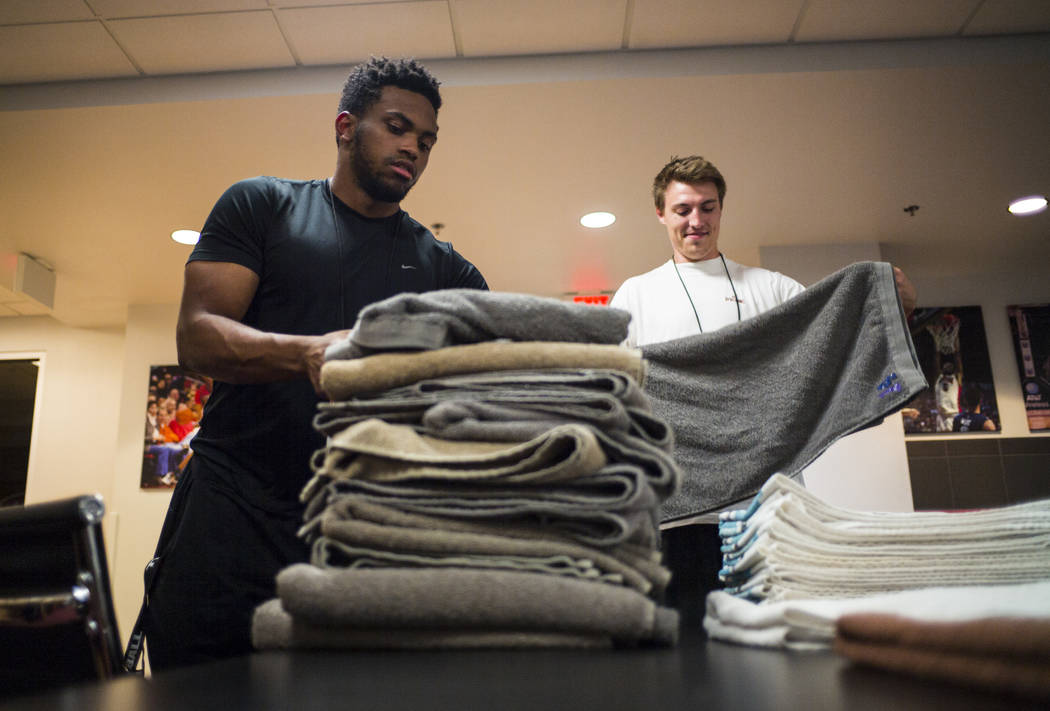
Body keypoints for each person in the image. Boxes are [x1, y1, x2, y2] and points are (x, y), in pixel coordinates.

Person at [139, 57, 488, 671]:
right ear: (346, 126)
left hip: (355, 532)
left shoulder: (448, 273)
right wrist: (306, 353)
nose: (413, 148)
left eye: (426, 141)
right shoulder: (263, 206)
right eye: (397, 126)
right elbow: (197, 337)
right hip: (229, 514)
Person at [610, 155, 916, 346]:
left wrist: (891, 307)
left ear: (721, 209)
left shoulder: (774, 289)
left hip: (759, 449)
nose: (697, 221)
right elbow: (608, 385)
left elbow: (836, 338)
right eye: (682, 210)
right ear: (660, 214)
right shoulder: (636, 295)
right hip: (670, 449)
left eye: (708, 208)